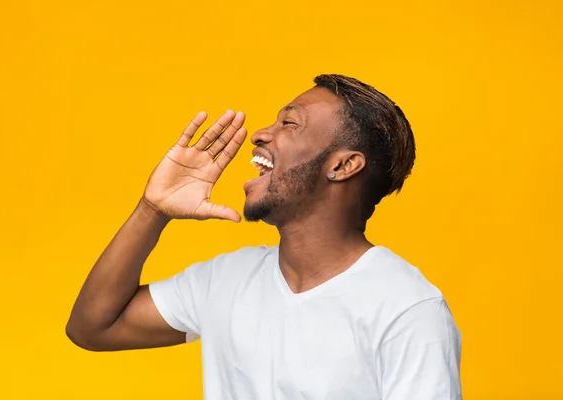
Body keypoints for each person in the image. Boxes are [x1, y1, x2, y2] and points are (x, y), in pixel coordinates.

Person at [66, 74, 462, 399]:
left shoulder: (408, 309)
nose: (260, 135)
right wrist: (152, 210)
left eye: (290, 124)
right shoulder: (227, 280)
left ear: (343, 165)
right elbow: (92, 328)